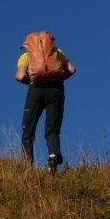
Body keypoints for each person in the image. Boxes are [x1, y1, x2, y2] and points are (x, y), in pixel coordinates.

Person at [15, 32, 77, 171]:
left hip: (35, 90)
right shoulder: (58, 52)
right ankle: (53, 154)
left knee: (28, 130)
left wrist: (31, 81)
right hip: (56, 90)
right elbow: (72, 69)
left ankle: (26, 165)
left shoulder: (25, 56)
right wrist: (60, 78)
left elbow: (19, 76)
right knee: (52, 129)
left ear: (28, 45)